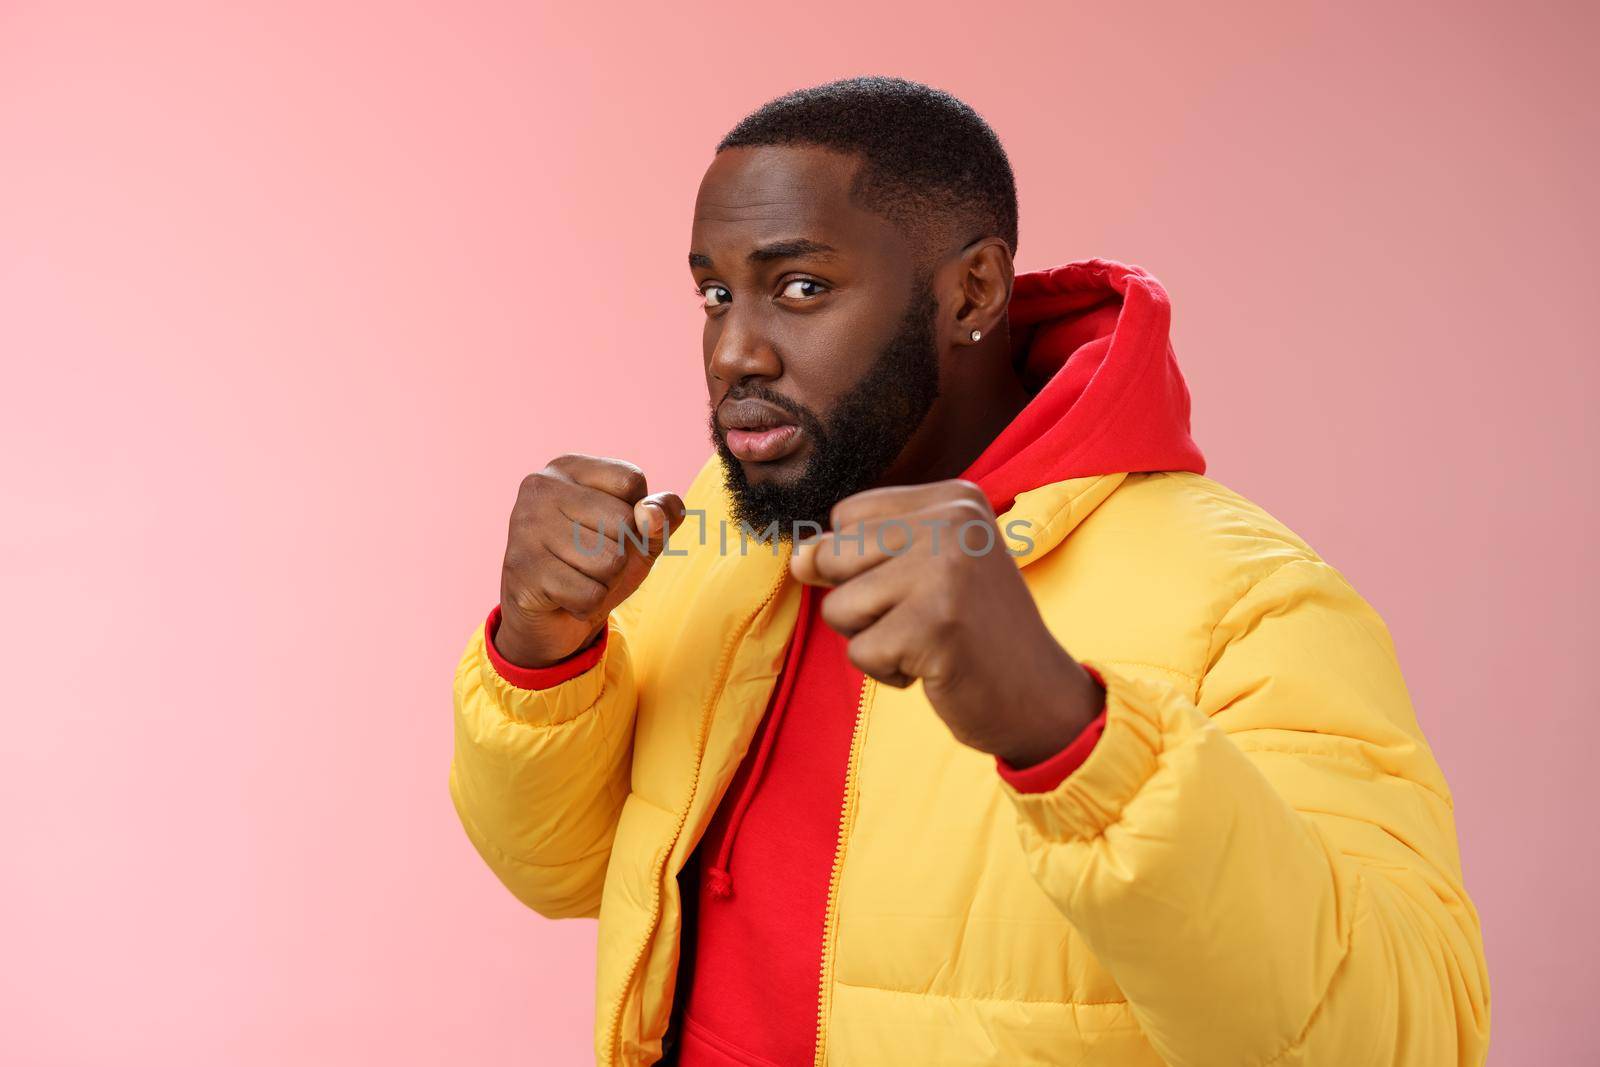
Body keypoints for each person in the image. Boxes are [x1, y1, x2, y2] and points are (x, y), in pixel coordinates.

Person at [449, 76, 1490, 1066]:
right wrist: (542, 652)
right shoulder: (722, 530)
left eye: (799, 286)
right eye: (716, 294)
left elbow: (1402, 1035)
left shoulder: (1250, 598)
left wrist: (1069, 731)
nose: (734, 352)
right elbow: (568, 871)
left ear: (972, 289)